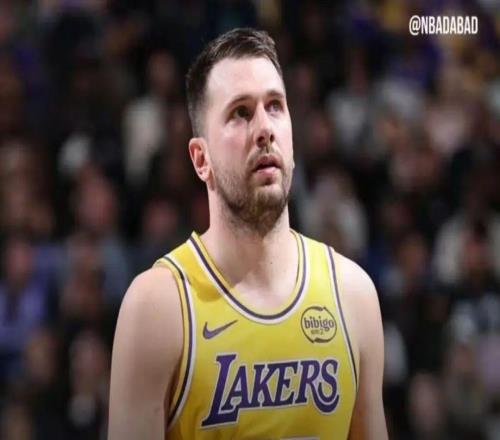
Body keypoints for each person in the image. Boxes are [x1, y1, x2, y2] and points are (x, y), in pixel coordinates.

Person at [108, 28, 388, 440]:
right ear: (200, 159)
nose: (264, 128)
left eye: (275, 106)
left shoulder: (353, 295)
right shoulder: (157, 307)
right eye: (240, 112)